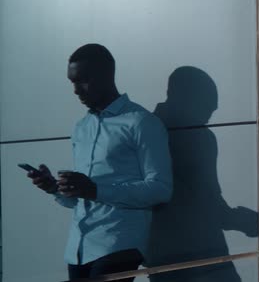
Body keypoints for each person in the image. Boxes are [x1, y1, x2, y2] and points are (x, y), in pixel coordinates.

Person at [27, 43, 173, 281]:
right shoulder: (81, 128)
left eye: (83, 80)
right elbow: (83, 198)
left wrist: (95, 189)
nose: (76, 90)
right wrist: (55, 188)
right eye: (72, 82)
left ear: (107, 75)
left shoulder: (141, 122)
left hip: (119, 242)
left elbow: (161, 189)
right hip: (79, 247)